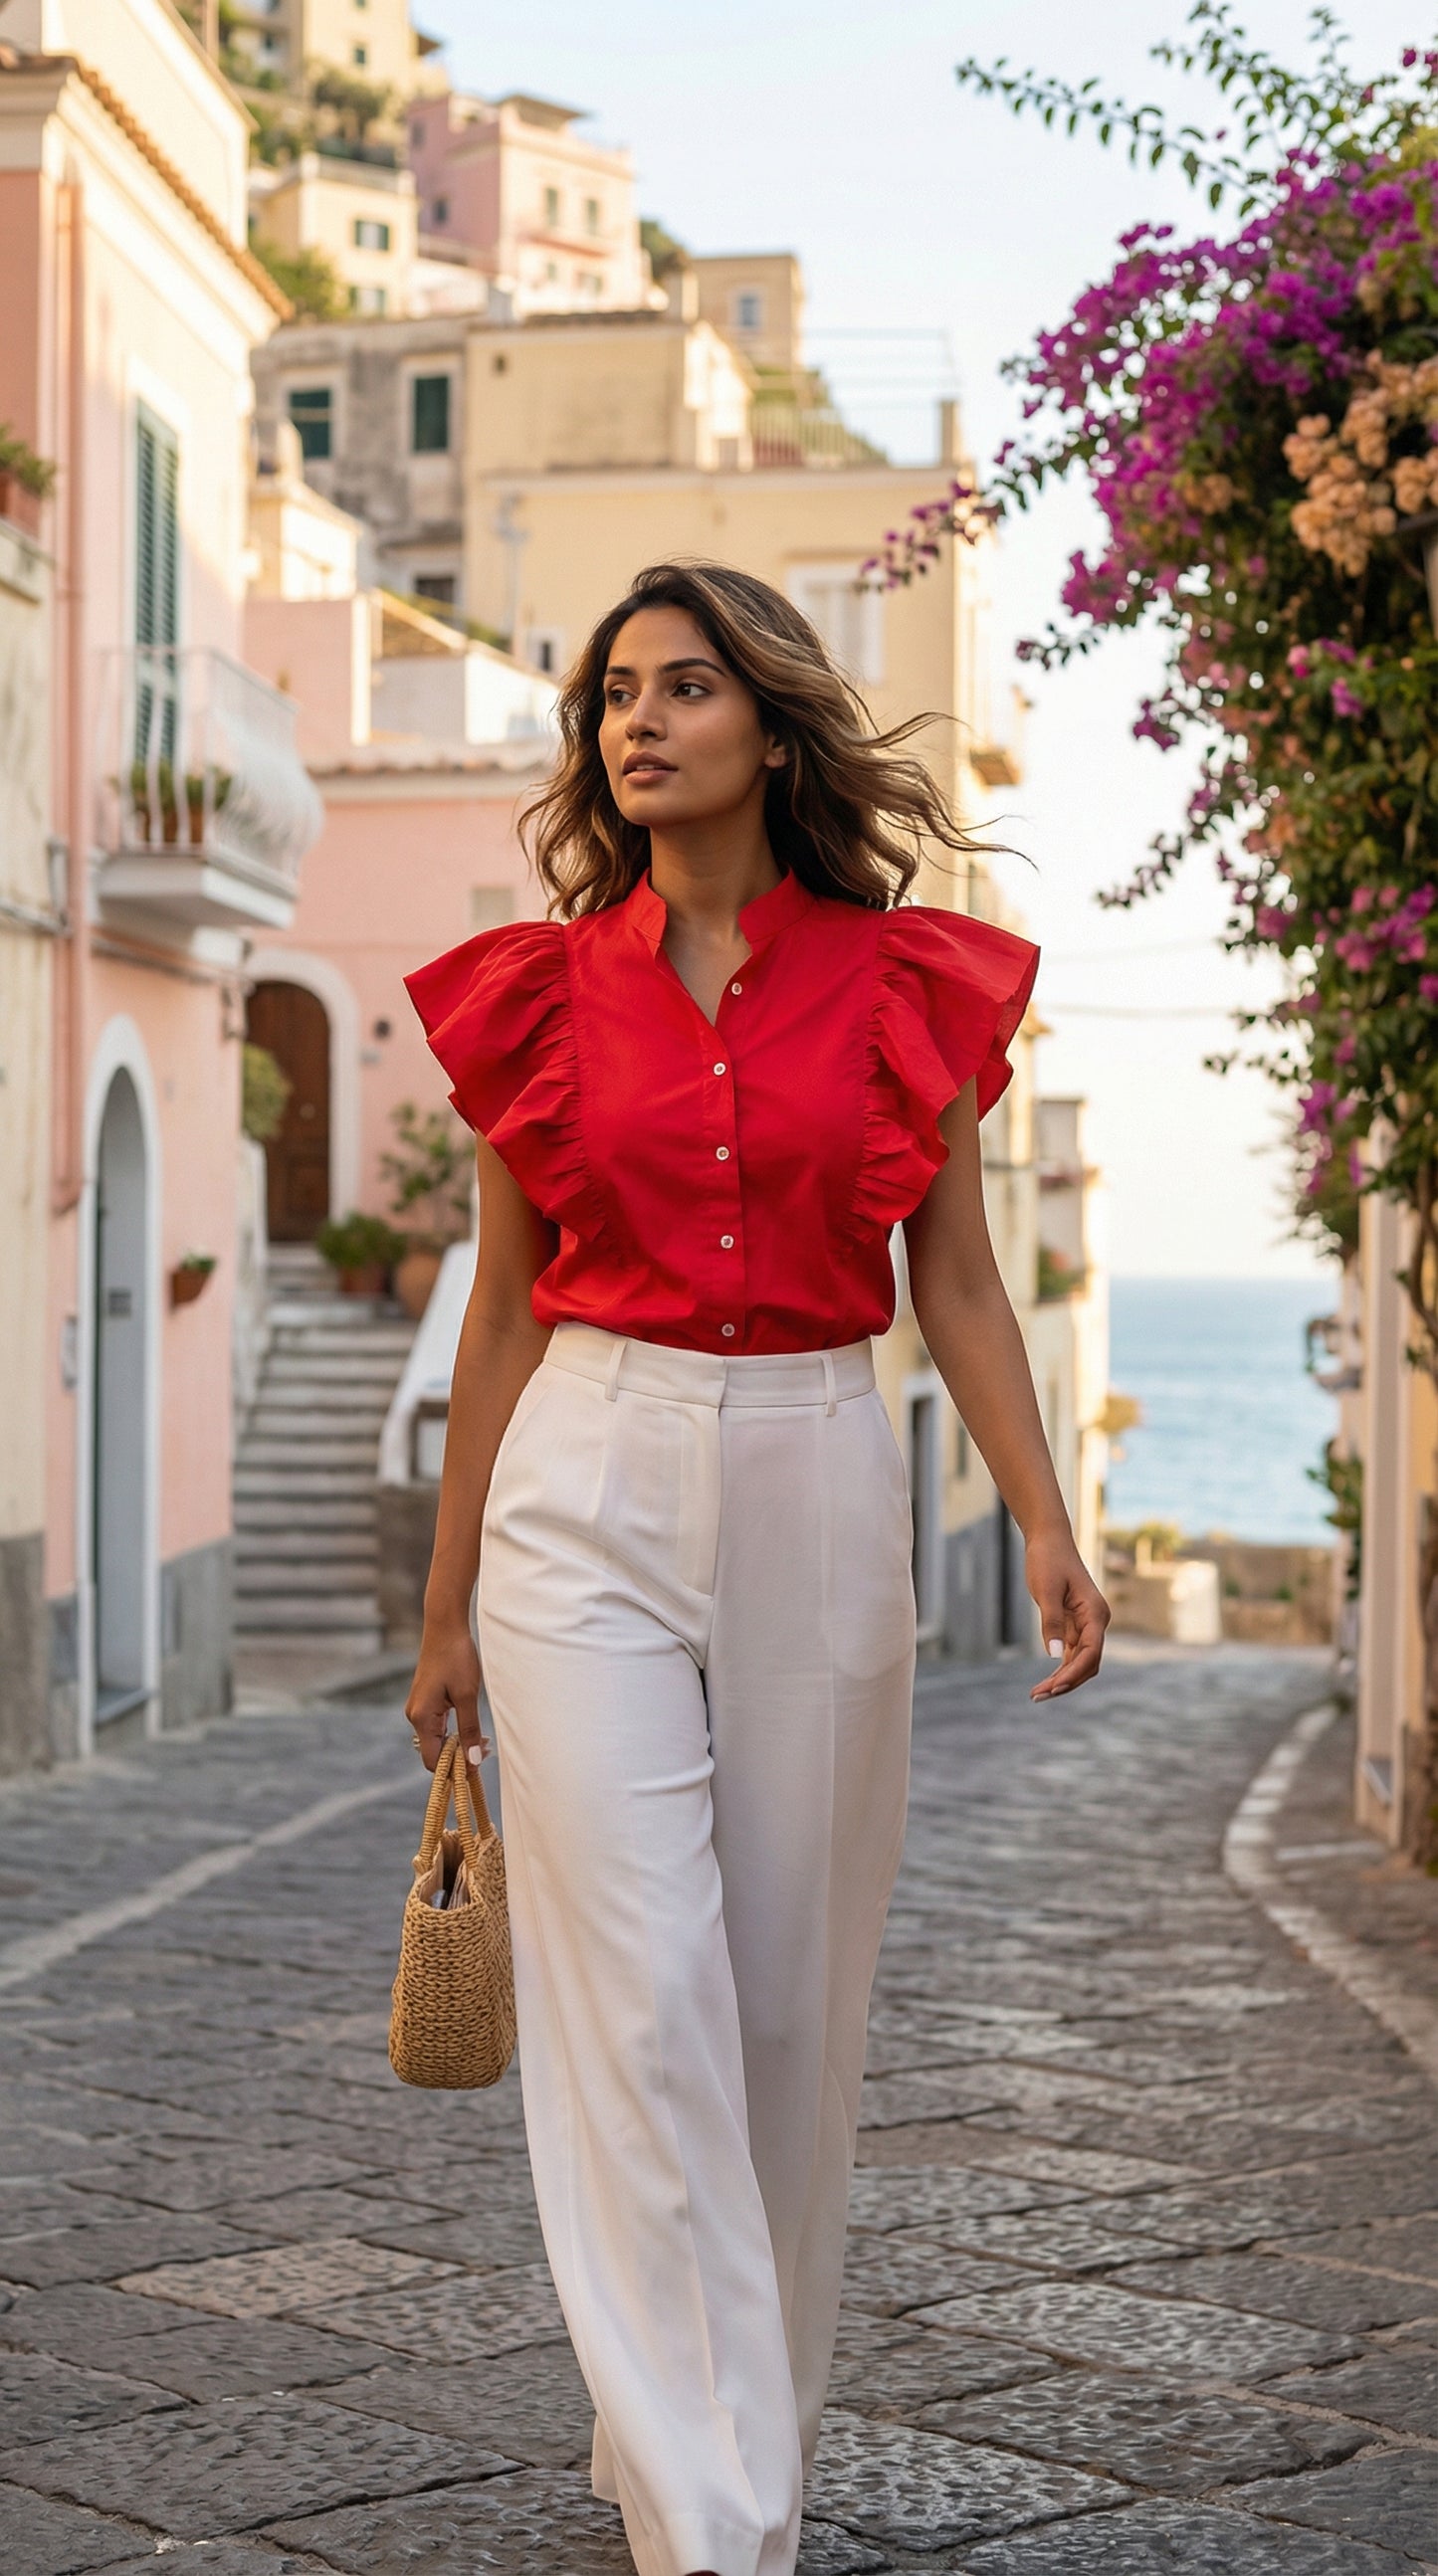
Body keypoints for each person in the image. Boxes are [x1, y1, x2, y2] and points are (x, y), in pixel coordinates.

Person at [402, 558, 1110, 2576]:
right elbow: (504, 1313)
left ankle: (722, 2451)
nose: (637, 718)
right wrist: (448, 1602)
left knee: (791, 2012)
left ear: (771, 726)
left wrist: (1042, 1515)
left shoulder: (906, 985)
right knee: (643, 2007)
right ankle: (723, 2526)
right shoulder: (538, 989)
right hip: (584, 1483)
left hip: (816, 1452)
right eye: (613, 688)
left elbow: (955, 1277)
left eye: (685, 684)